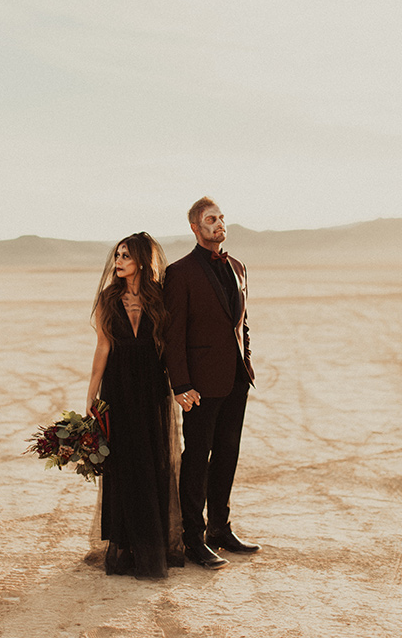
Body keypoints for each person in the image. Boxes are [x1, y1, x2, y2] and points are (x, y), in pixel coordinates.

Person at [163, 197, 260, 569]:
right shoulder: (181, 272)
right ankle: (192, 537)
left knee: (227, 454)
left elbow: (242, 324)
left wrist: (245, 365)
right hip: (199, 386)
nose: (219, 224)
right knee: (197, 459)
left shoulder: (238, 266)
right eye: (210, 219)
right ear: (195, 227)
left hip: (236, 380)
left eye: (220, 218)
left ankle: (220, 528)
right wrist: (180, 384)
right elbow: (174, 334)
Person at [85, 232, 184, 578]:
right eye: (117, 256)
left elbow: (171, 346)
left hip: (153, 388)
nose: (119, 262)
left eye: (126, 256)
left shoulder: (159, 297)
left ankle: (152, 544)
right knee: (125, 464)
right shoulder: (108, 298)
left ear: (141, 260)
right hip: (119, 387)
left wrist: (181, 388)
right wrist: (92, 394)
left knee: (153, 460)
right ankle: (124, 546)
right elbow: (102, 346)